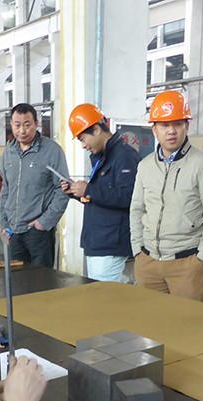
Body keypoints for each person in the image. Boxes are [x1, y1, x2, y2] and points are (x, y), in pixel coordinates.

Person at [129, 90, 203, 301]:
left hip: (186, 264)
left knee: (188, 321)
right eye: (164, 125)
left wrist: (202, 259)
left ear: (186, 126)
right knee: (149, 320)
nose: (171, 131)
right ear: (154, 129)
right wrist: (137, 250)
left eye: (177, 124)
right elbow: (137, 208)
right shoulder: (145, 166)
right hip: (148, 262)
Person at [61, 103, 140, 282]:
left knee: (106, 291)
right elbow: (100, 197)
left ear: (96, 129)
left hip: (111, 241)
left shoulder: (125, 156)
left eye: (83, 139)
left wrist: (88, 190)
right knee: (100, 288)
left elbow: (129, 196)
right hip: (97, 239)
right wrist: (75, 192)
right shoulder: (103, 157)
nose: (83, 145)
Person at [0, 103, 70, 268]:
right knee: (16, 278)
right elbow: (6, 189)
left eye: (27, 124)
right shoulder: (9, 152)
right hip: (13, 232)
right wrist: (4, 222)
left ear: (37, 124)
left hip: (38, 233)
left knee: (41, 279)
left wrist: (44, 222)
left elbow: (63, 190)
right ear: (11, 125)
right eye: (17, 125)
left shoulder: (52, 151)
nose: (22, 131)